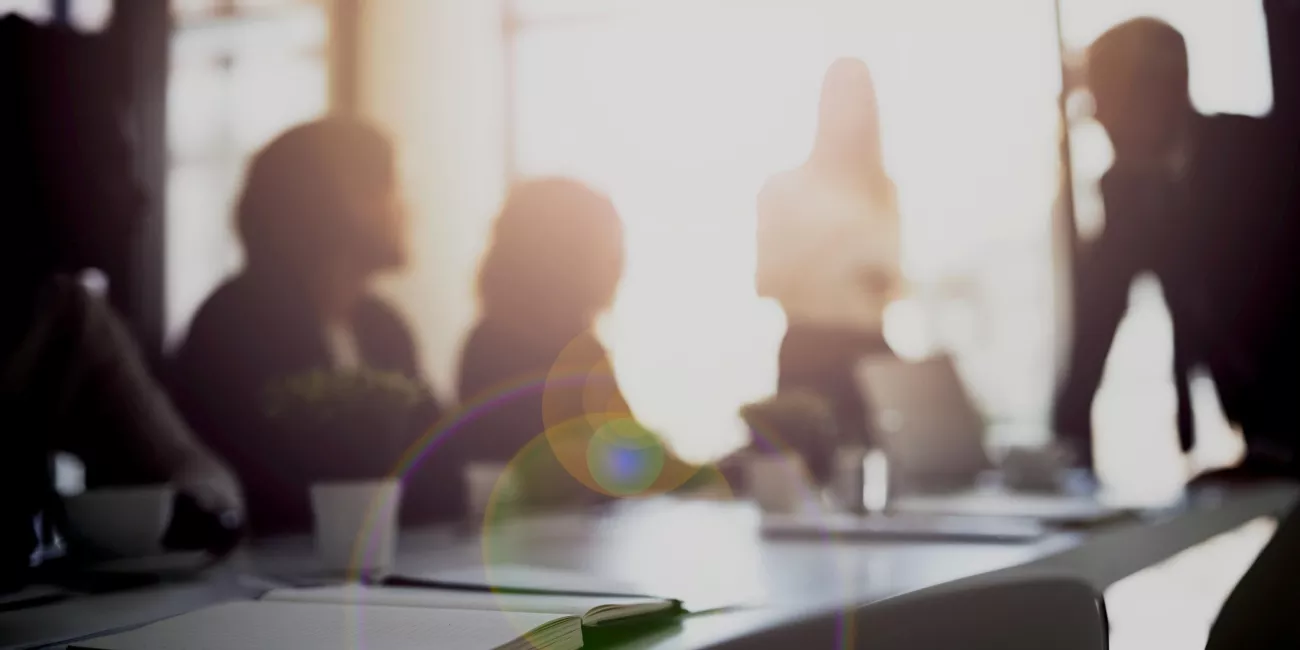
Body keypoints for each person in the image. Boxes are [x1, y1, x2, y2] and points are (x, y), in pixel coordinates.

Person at [0, 16, 240, 589]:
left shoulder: (73, 321)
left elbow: (196, 473)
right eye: (109, 160)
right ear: (25, 153)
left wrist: (181, 509)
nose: (139, 195)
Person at [169, 118, 446, 534]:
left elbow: (436, 463)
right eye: (392, 188)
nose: (408, 209)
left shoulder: (384, 327)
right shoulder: (234, 325)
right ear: (346, 198)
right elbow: (268, 489)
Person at [1054, 18, 1297, 473]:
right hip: (1260, 429)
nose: (1100, 117)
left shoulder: (1262, 154)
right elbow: (1097, 320)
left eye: (1111, 97)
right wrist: (1061, 446)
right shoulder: (1126, 188)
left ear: (1163, 91)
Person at [457, 178, 693, 509]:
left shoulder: (583, 350)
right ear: (563, 252)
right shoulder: (494, 349)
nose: (619, 265)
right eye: (608, 247)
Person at [756, 57, 902, 448]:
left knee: (884, 464)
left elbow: (896, 286)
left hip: (872, 350)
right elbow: (764, 282)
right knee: (812, 466)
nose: (851, 110)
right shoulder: (785, 188)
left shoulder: (883, 189)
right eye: (842, 95)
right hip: (811, 350)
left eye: (860, 98)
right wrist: (829, 240)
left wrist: (885, 280)